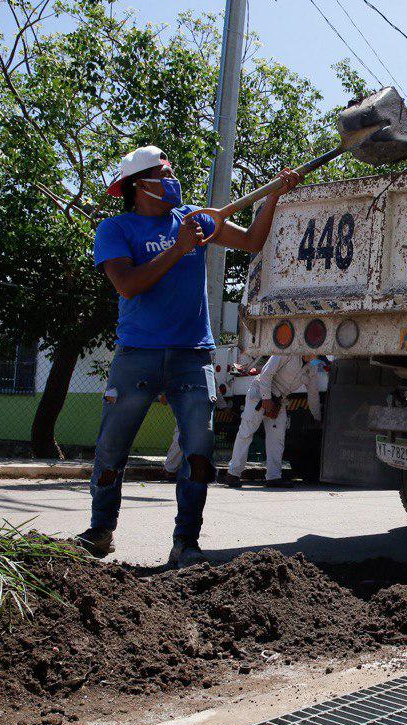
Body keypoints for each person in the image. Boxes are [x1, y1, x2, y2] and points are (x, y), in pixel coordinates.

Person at [75, 144, 301, 567]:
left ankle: (186, 543)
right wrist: (178, 249)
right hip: (137, 355)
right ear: (139, 186)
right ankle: (100, 530)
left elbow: (252, 242)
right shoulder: (115, 229)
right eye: (165, 173)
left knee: (199, 449)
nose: (172, 180)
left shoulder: (195, 219)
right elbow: (127, 285)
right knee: (111, 449)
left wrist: (274, 195)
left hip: (193, 354)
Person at [218, 355, 327, 487]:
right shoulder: (286, 353)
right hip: (259, 394)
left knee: (277, 439)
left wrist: (317, 418)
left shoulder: (311, 370)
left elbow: (313, 396)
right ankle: (233, 474)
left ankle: (274, 477)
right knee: (246, 432)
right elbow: (266, 373)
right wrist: (266, 398)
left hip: (278, 401)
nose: (312, 354)